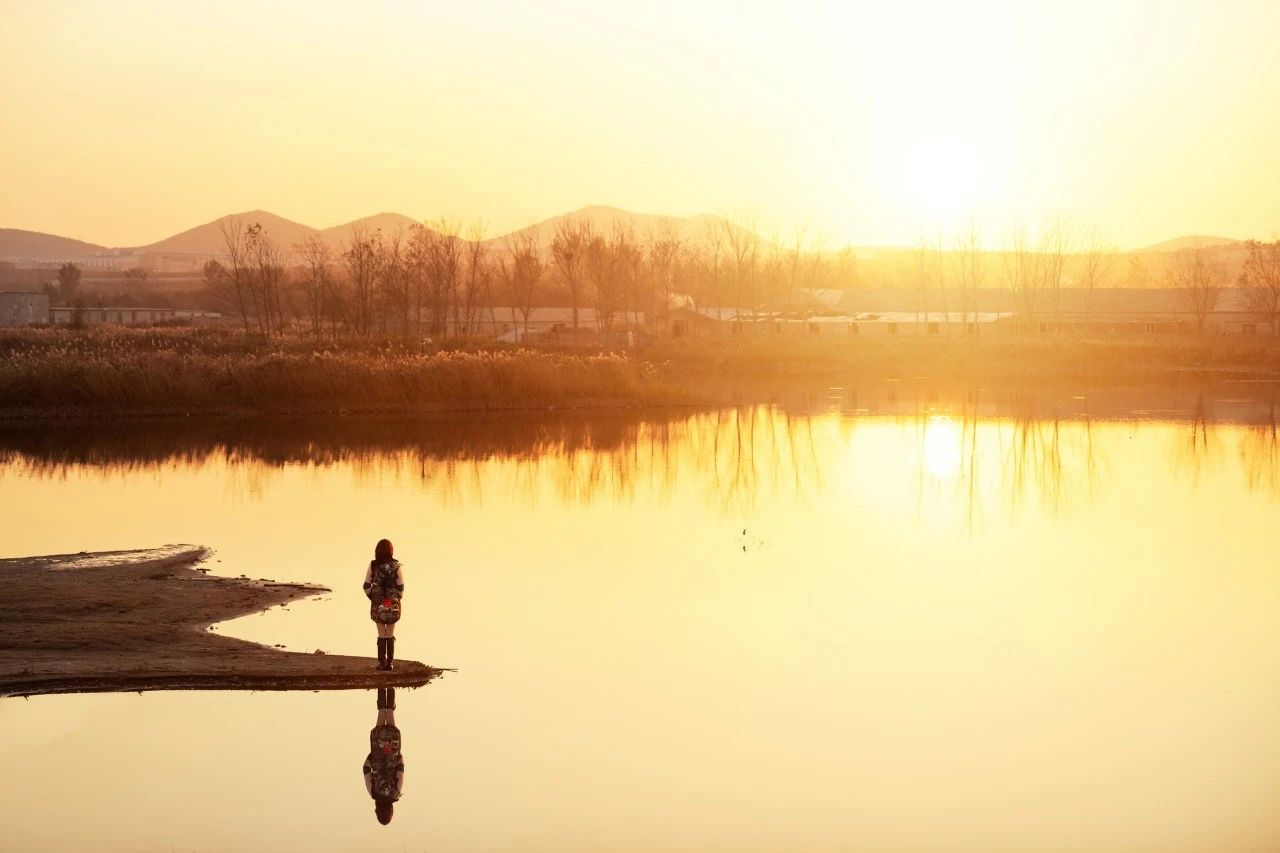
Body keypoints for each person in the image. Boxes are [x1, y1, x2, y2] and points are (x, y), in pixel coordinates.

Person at [363, 687, 405, 825]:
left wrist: (399, 756)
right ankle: (381, 684)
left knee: (391, 715)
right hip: (377, 749)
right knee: (381, 714)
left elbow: (400, 770)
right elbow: (365, 769)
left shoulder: (396, 794)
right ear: (377, 811)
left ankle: (391, 684)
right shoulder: (373, 793)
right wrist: (372, 756)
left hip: (392, 751)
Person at [364, 538, 404, 670]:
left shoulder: (373, 565)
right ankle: (390, 664)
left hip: (378, 605)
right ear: (391, 551)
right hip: (393, 605)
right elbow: (401, 587)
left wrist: (372, 597)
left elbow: (365, 586)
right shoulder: (396, 566)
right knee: (390, 633)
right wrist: (398, 599)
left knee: (381, 634)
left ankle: (381, 663)